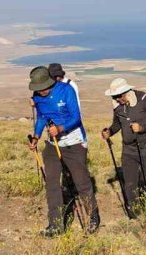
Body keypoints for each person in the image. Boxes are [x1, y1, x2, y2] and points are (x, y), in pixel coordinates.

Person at [28, 66, 100, 236]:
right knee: (52, 183)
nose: (40, 92)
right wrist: (36, 136)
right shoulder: (38, 96)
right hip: (52, 144)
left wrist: (60, 128)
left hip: (73, 142)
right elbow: (42, 117)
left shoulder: (66, 90)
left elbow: (76, 118)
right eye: (37, 89)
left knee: (82, 183)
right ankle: (55, 224)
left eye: (42, 89)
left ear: (50, 83)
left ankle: (92, 219)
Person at [101, 78, 146, 217]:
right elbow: (117, 123)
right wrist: (109, 131)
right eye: (114, 96)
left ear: (125, 92)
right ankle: (134, 214)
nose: (116, 98)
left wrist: (141, 127)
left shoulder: (143, 98)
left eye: (118, 96)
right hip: (128, 149)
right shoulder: (117, 105)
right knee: (130, 183)